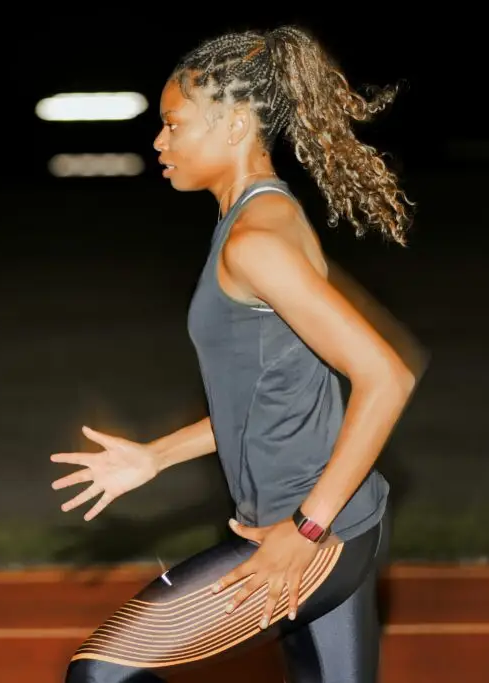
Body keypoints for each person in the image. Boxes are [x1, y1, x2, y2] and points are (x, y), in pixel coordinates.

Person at [50, 23, 425, 683]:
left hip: (311, 538)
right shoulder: (262, 217)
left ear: (233, 127)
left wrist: (304, 531)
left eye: (173, 124)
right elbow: (266, 392)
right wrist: (156, 455)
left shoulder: (255, 240)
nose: (159, 140)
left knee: (100, 674)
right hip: (340, 524)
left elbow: (385, 377)